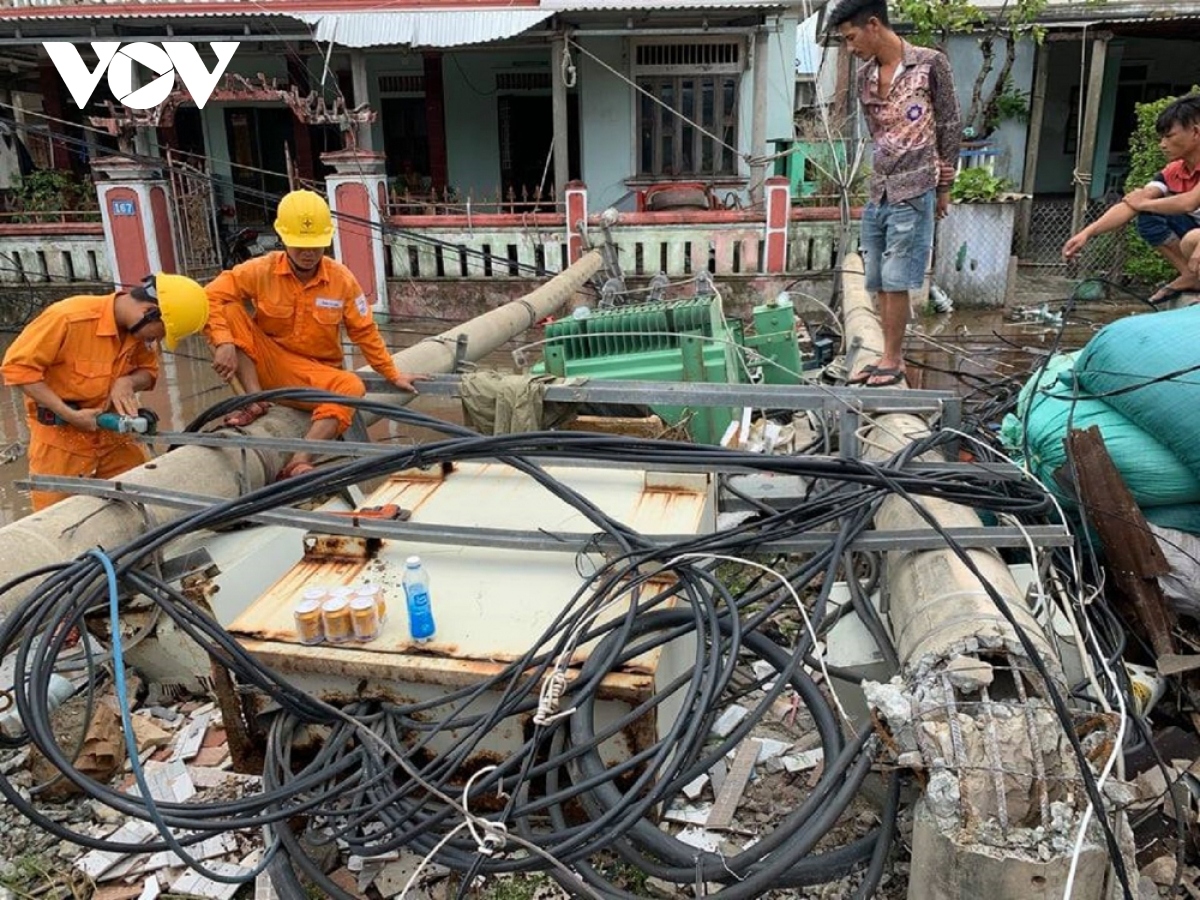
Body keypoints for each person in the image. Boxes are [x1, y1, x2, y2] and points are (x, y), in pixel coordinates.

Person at [204, 189, 424, 480]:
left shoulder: (341, 279)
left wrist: (391, 374)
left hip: (315, 375)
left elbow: (364, 331)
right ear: (283, 240)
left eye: (316, 246)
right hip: (264, 365)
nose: (308, 254)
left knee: (351, 386)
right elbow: (210, 296)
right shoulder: (261, 270)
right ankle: (253, 401)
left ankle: (299, 460)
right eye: (299, 246)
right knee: (229, 308)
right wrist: (224, 341)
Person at [828, 0, 961, 387]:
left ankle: (893, 359)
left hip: (916, 186)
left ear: (873, 25)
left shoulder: (929, 64)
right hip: (879, 190)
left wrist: (944, 187)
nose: (851, 48)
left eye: (852, 38)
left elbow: (950, 125)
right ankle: (885, 354)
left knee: (897, 277)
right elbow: (877, 135)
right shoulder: (865, 77)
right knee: (877, 278)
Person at [1, 273, 209, 511]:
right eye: (159, 333)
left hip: (115, 437)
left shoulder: (138, 333)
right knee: (60, 523)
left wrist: (127, 382)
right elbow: (17, 369)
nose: (157, 341)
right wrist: (68, 414)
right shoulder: (68, 318)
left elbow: (148, 372)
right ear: (150, 312)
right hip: (61, 443)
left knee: (139, 506)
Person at [1063, 94, 1200, 304]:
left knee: (1193, 239)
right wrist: (1087, 233)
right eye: (1161, 138)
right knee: (1151, 215)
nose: (1162, 144)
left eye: (1169, 136)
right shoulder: (1174, 171)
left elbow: (1189, 202)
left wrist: (1143, 203)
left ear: (1196, 132)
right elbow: (1131, 204)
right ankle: (1190, 276)